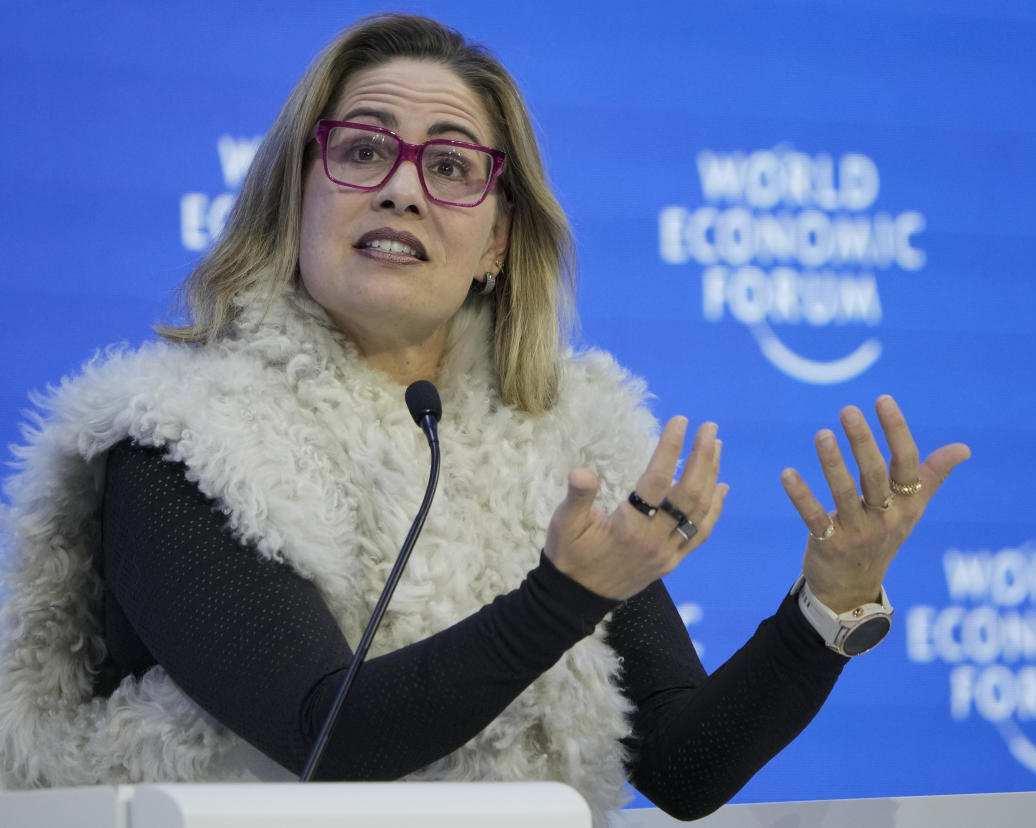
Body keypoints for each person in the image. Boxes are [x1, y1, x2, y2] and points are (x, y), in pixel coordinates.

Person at [0, 12, 968, 824]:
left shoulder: (564, 446)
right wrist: (562, 597)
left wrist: (828, 604)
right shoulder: (174, 442)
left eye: (452, 166)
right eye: (365, 148)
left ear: (497, 240)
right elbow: (324, 738)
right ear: (295, 194)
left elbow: (683, 768)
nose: (401, 184)